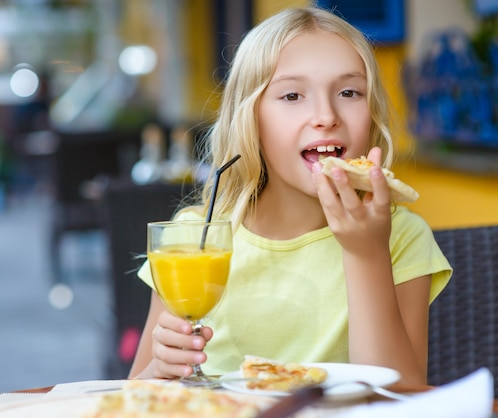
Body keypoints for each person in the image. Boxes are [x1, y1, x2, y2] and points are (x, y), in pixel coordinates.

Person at [128, 7, 452, 386]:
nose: (326, 116)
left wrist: (367, 253)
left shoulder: (400, 236)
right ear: (251, 119)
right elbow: (134, 393)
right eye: (293, 95)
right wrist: (162, 368)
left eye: (349, 92)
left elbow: (400, 397)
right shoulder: (193, 239)